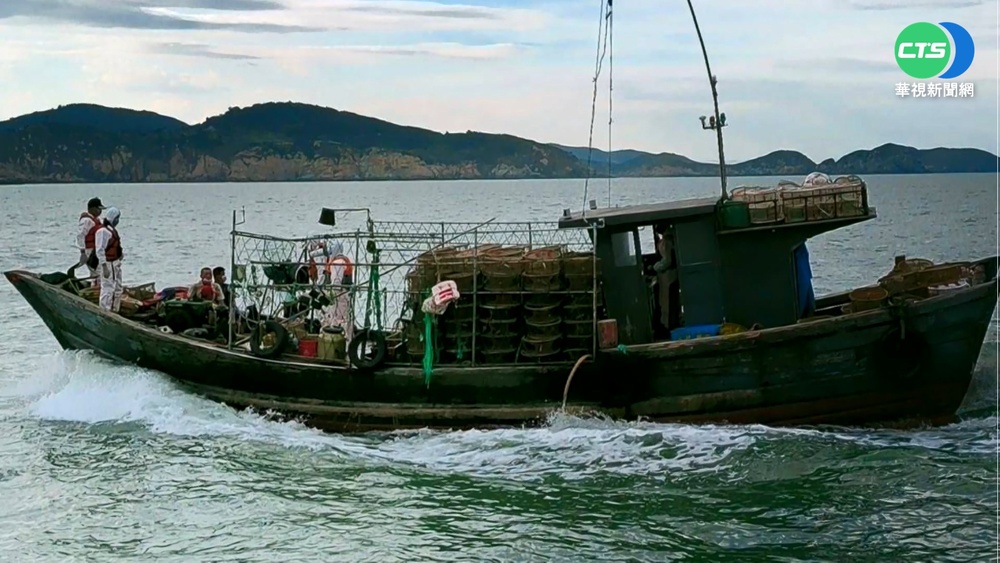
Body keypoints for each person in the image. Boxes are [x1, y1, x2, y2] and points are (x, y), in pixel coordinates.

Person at [319, 241, 354, 341]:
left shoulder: (337, 263)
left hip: (339, 296)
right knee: (344, 318)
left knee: (338, 319)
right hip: (343, 294)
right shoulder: (342, 261)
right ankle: (346, 339)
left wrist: (331, 295)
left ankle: (337, 339)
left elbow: (336, 282)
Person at [94, 207, 124, 312]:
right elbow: (100, 250)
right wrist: (104, 266)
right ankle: (104, 310)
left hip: (115, 263)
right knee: (107, 287)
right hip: (108, 263)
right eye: (116, 218)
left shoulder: (111, 230)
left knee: (118, 287)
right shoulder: (103, 231)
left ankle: (115, 308)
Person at [75, 197, 104, 278]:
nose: (100, 211)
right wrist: (83, 252)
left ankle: (95, 283)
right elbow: (80, 235)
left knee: (98, 271)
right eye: (98, 209)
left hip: (96, 250)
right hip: (90, 251)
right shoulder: (87, 221)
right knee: (98, 271)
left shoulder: (95, 220)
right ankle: (97, 284)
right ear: (92, 209)